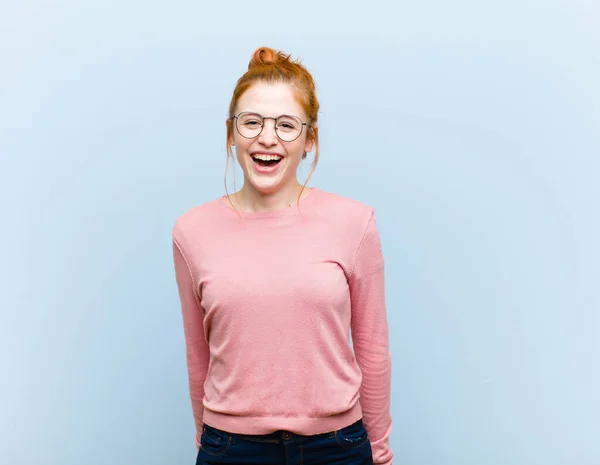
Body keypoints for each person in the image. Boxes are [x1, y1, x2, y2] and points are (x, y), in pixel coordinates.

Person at [172, 46, 393, 465]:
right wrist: (208, 444)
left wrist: (379, 452)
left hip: (338, 449)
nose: (267, 137)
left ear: (309, 139)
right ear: (231, 133)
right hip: (231, 449)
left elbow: (372, 347)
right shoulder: (191, 231)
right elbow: (197, 352)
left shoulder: (355, 223)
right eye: (251, 122)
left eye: (286, 125)